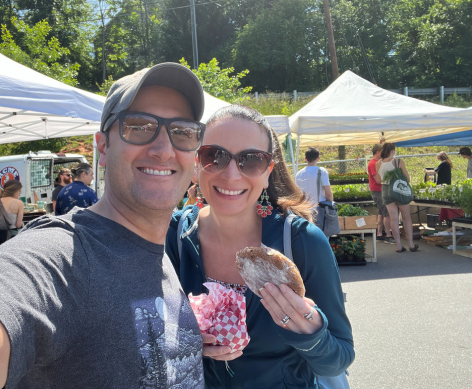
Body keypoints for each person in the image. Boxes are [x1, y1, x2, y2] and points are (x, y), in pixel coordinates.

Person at [0, 62, 207, 388]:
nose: (164, 149)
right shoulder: (58, 259)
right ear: (103, 147)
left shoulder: (156, 247)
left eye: (182, 131)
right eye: (139, 126)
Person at [166, 105, 354, 388]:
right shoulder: (175, 235)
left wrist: (311, 333)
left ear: (268, 172)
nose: (230, 175)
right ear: (196, 163)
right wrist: (190, 342)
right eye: (213, 156)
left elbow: (339, 359)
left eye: (251, 160)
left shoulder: (302, 242)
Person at [376, 142, 418, 252]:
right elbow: (407, 178)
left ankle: (398, 246)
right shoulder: (398, 161)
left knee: (393, 219)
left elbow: (380, 180)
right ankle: (411, 244)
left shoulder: (378, 163)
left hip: (386, 191)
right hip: (399, 191)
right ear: (392, 151)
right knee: (406, 218)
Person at [368, 143, 394, 242]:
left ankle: (379, 233)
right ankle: (388, 234)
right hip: (378, 191)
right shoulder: (374, 163)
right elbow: (378, 180)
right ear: (378, 152)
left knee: (381, 213)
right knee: (387, 213)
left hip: (378, 191)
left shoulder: (376, 163)